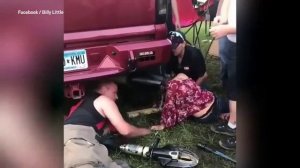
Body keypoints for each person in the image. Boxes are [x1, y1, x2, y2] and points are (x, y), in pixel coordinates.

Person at [64, 81, 152, 168]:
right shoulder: (103, 100)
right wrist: (147, 131)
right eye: (114, 92)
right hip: (77, 139)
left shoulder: (83, 104)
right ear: (104, 89)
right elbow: (126, 131)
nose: (116, 97)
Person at [151, 73, 229, 131]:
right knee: (233, 106)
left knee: (186, 110)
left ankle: (221, 116)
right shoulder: (181, 76)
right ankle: (225, 115)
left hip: (206, 117)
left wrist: (162, 125)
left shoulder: (170, 94)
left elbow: (169, 112)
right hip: (214, 101)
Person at [209, 0, 236, 150]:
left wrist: (227, 29)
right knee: (234, 87)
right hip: (234, 42)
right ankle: (232, 124)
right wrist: (222, 17)